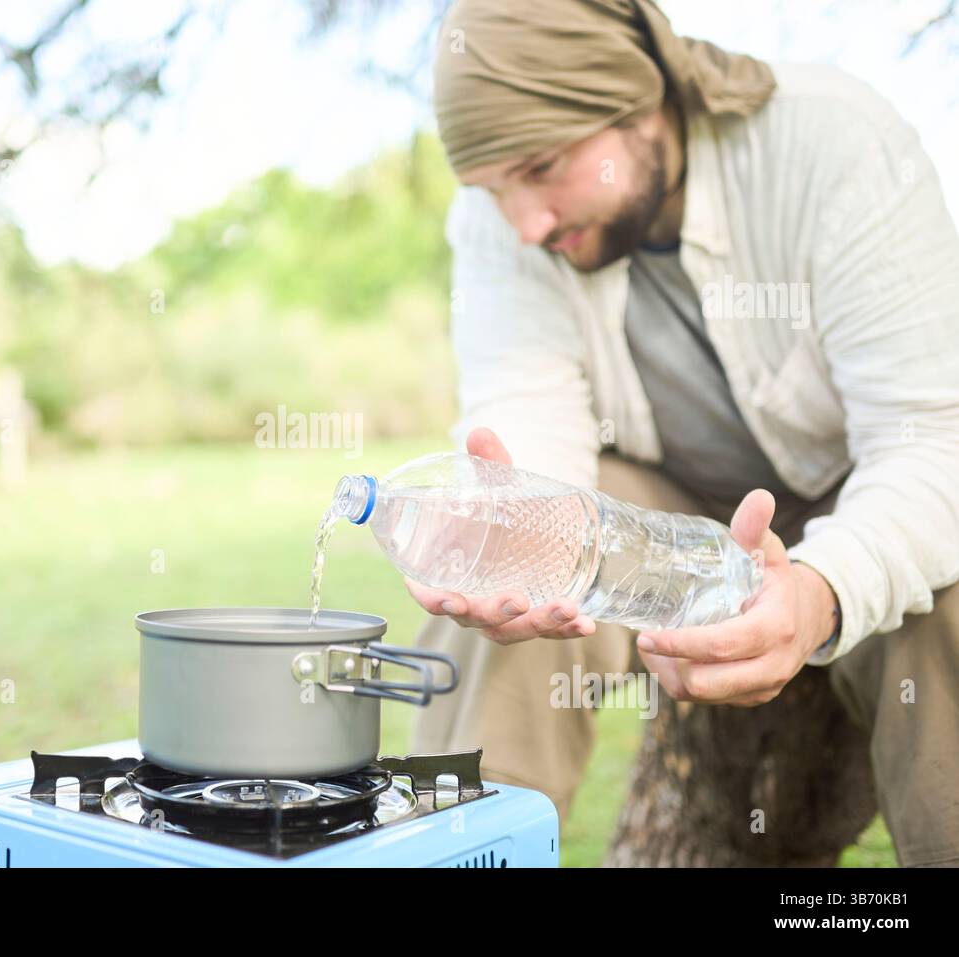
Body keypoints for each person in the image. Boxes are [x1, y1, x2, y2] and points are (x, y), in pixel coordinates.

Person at [407, 0, 959, 866]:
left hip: (861, 494)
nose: (526, 224)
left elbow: (932, 441)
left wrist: (818, 588)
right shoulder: (501, 225)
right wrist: (512, 530)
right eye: (494, 190)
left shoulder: (836, 146)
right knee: (501, 573)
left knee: (947, 604)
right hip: (667, 506)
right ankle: (454, 856)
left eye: (544, 167)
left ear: (637, 97)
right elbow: (531, 425)